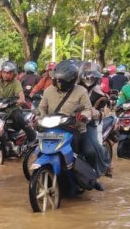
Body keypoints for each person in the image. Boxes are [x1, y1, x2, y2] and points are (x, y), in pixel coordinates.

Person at [38, 60, 104, 191]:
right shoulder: (48, 91)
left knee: (89, 151)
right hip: (51, 127)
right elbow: (42, 108)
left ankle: (92, 178)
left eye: (61, 80)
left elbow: (88, 109)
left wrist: (84, 115)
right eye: (56, 80)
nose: (57, 83)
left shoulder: (81, 91)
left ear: (70, 80)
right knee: (39, 150)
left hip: (75, 128)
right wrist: (38, 118)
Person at [78, 62, 113, 177]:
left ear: (97, 78)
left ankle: (105, 165)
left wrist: (96, 113)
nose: (88, 79)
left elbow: (103, 111)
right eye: (86, 75)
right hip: (74, 122)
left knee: (94, 147)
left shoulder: (99, 93)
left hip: (93, 122)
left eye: (92, 76)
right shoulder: (74, 89)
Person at [0, 60, 36, 141]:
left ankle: (31, 135)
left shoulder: (16, 83)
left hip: (11, 109)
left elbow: (21, 97)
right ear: (1, 72)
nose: (5, 75)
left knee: (18, 116)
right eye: (4, 72)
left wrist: (19, 100)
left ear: (13, 74)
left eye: (8, 73)